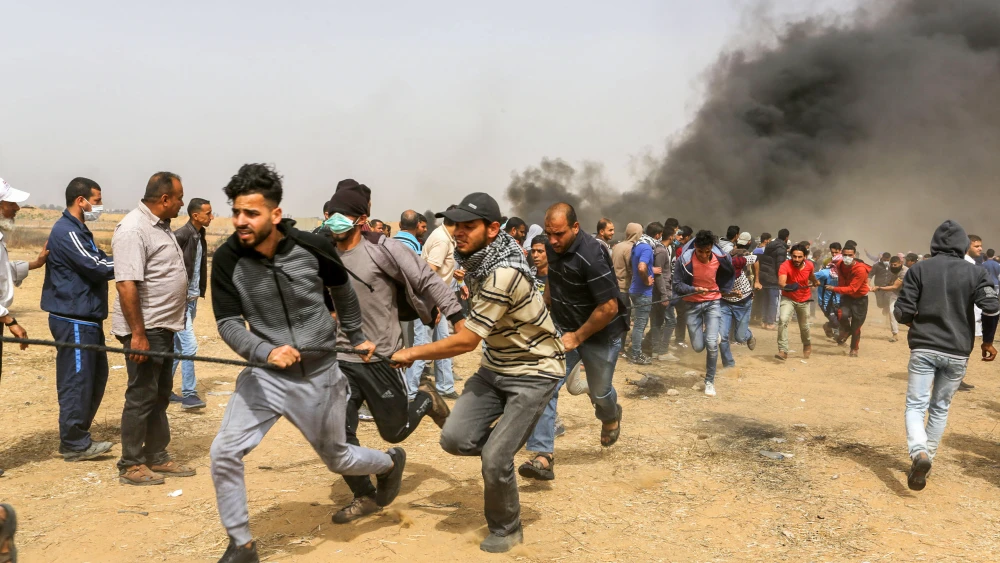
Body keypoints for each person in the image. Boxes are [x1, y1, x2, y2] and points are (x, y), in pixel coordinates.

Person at [209, 164, 404, 562]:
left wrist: (355, 333)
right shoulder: (227, 259)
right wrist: (265, 352)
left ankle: (387, 464)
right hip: (264, 377)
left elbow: (343, 291)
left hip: (318, 375)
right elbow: (228, 323)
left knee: (339, 459)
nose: (241, 221)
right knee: (224, 452)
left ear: (275, 214)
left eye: (252, 213)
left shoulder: (312, 246)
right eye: (237, 212)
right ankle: (242, 544)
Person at [390, 193, 565, 553]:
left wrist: (412, 352)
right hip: (496, 368)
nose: (458, 233)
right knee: (454, 439)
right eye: (455, 225)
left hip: (534, 371)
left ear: (493, 228)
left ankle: (507, 527)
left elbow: (466, 341)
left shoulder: (504, 272)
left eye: (469, 226)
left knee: (495, 457)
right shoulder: (477, 263)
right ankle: (498, 454)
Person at [322, 183, 458, 524]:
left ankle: (426, 398)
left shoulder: (383, 248)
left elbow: (426, 278)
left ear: (361, 219)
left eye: (341, 215)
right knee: (335, 433)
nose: (333, 221)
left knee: (393, 432)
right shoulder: (324, 253)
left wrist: (456, 314)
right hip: (342, 358)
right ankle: (364, 494)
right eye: (330, 214)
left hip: (380, 357)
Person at [519, 203, 627, 483]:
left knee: (601, 393)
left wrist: (577, 337)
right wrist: (542, 310)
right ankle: (543, 456)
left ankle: (611, 415)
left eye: (559, 234)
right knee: (545, 385)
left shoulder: (592, 255)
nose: (552, 241)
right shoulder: (553, 250)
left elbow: (609, 308)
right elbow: (555, 280)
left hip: (601, 334)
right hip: (564, 329)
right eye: (549, 233)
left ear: (575, 228)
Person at [894, 220, 999, 491]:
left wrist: (914, 323)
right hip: (957, 351)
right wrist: (987, 341)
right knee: (940, 408)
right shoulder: (975, 273)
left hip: (924, 348)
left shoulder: (918, 269)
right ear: (964, 245)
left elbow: (903, 311)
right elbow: (991, 307)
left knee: (916, 405)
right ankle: (928, 458)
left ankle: (919, 454)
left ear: (934, 244)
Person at [111, 172, 196, 487]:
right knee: (141, 395)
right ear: (164, 199)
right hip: (145, 330)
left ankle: (157, 456)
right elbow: (126, 284)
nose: (182, 202)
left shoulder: (160, 227)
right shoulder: (133, 229)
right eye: (179, 196)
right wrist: (138, 334)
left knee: (159, 395)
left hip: (164, 327)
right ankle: (131, 464)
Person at [42, 177, 115, 462]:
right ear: (81, 200)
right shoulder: (67, 231)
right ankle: (73, 442)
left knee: (94, 378)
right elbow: (96, 265)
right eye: (96, 200)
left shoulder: (79, 230)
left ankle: (79, 435)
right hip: (73, 318)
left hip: (87, 317)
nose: (98, 205)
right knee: (77, 380)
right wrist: (130, 259)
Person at [673, 230, 737, 397]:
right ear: (695, 247)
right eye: (700, 251)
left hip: (713, 302)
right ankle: (711, 334)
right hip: (692, 305)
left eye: (707, 251)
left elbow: (728, 273)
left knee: (711, 344)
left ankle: (709, 381)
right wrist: (694, 289)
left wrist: (727, 290)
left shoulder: (720, 258)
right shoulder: (685, 260)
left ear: (711, 249)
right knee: (698, 346)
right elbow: (677, 285)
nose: (703, 255)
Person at [408, 205, 462, 400]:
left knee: (446, 343)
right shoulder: (441, 240)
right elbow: (429, 273)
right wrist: (434, 305)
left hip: (439, 299)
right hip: (429, 301)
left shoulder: (446, 238)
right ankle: (409, 391)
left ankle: (445, 386)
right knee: (422, 346)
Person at [167, 197, 213, 409]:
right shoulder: (182, 235)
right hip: (180, 302)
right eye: (208, 213)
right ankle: (189, 394)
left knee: (177, 348)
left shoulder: (199, 235)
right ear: (196, 215)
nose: (212, 217)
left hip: (192, 300)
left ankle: (163, 389)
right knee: (189, 345)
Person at [719, 233, 758, 368]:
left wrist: (757, 281)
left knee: (740, 337)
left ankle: (748, 335)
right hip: (725, 302)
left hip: (743, 301)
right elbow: (719, 292)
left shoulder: (737, 261)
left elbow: (756, 259)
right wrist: (729, 293)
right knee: (723, 336)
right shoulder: (714, 271)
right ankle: (729, 364)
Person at [775, 244, 818, 361]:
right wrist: (788, 286)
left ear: (805, 256)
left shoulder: (809, 265)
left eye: (800, 257)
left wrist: (815, 281)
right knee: (783, 320)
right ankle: (783, 350)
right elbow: (781, 282)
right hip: (788, 297)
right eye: (794, 256)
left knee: (804, 326)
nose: (797, 259)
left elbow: (811, 276)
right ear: (791, 256)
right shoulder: (785, 265)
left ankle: (807, 344)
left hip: (804, 298)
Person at [827, 245, 871, 357]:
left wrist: (834, 289)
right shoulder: (839, 265)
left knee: (856, 326)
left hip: (860, 299)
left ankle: (854, 348)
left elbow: (853, 289)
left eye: (850, 255)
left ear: (854, 255)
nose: (847, 257)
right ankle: (846, 330)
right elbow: (841, 280)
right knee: (842, 314)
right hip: (847, 296)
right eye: (845, 255)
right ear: (841, 254)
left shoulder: (860, 269)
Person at [628, 223, 660, 365]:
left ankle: (634, 352)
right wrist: (647, 280)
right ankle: (636, 354)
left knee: (639, 324)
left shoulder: (638, 245)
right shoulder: (647, 248)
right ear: (657, 235)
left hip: (635, 289)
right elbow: (641, 267)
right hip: (643, 292)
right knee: (640, 325)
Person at [649, 225, 680, 362]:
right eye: (675, 235)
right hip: (663, 291)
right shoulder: (661, 251)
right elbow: (659, 275)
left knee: (657, 321)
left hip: (660, 291)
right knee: (670, 321)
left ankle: (656, 351)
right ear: (671, 236)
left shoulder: (660, 249)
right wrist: (664, 294)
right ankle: (662, 351)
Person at [611, 222, 642, 349]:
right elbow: (631, 268)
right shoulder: (630, 248)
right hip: (623, 287)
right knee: (624, 319)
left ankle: (613, 344)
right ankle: (620, 347)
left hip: (614, 285)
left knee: (614, 318)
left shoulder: (617, 246)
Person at [757, 228, 790, 330]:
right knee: (773, 301)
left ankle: (764, 322)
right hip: (773, 277)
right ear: (786, 237)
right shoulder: (781, 248)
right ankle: (771, 323)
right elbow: (780, 265)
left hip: (764, 275)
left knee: (766, 300)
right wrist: (782, 279)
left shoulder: (769, 245)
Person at [872, 255, 907, 342]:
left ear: (900, 263)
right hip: (896, 294)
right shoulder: (892, 269)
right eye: (892, 265)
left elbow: (894, 286)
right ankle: (895, 334)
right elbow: (891, 282)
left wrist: (879, 288)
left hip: (907, 294)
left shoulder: (904, 272)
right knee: (892, 312)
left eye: (895, 265)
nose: (893, 266)